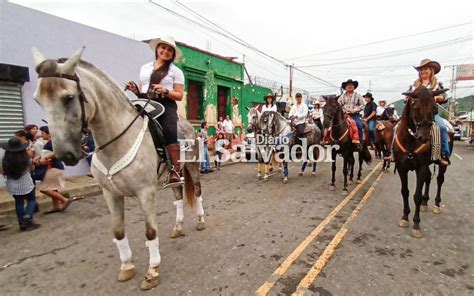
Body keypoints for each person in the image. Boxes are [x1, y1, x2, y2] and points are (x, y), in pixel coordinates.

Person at [125, 36, 185, 187]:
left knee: (170, 129)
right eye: (163, 47)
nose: (165, 51)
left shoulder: (176, 71)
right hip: (145, 102)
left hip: (166, 104)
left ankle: (175, 170)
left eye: (169, 50)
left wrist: (165, 91)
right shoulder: (145, 68)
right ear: (158, 49)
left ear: (172, 54)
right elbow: (144, 89)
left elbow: (179, 95)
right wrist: (135, 90)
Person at [407, 59, 450, 165]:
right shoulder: (414, 85)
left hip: (431, 114)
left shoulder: (437, 84)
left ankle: (442, 154)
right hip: (416, 114)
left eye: (425, 69)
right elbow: (406, 97)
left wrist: (438, 98)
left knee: (442, 128)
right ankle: (393, 152)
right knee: (397, 127)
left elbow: (445, 96)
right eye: (421, 69)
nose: (423, 71)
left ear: (431, 70)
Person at [1, 137, 40, 231]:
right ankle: (28, 215)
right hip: (26, 183)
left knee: (19, 203)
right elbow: (32, 169)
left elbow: (2, 171)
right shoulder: (26, 158)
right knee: (31, 200)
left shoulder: (5, 160)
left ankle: (22, 223)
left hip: (13, 185)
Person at [37, 126, 72, 214]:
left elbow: (59, 152)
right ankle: (56, 206)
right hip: (53, 167)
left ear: (49, 134)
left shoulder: (54, 142)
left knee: (44, 189)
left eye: (43, 133)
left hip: (52, 167)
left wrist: (47, 157)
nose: (41, 135)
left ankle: (64, 199)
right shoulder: (50, 142)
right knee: (53, 188)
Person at [339, 79, 364, 146]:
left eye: (351, 85)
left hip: (354, 115)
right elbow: (338, 106)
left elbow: (362, 105)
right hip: (344, 115)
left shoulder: (358, 95)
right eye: (348, 85)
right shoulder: (341, 97)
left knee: (359, 125)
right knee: (335, 126)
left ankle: (360, 143)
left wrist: (355, 110)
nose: (350, 86)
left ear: (354, 87)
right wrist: (344, 110)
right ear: (345, 87)